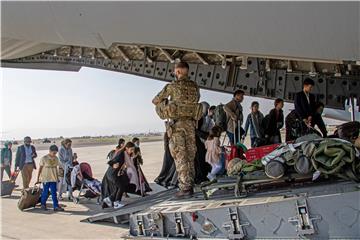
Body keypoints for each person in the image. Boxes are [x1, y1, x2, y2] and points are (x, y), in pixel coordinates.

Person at [152, 61, 200, 198]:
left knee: (180, 155)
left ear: (178, 71)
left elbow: (155, 101)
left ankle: (185, 188)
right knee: (190, 155)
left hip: (177, 125)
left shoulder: (172, 86)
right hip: (191, 124)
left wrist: (167, 105)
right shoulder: (195, 87)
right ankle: (190, 184)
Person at [102, 142, 138, 209]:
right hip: (112, 174)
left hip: (116, 174)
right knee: (121, 187)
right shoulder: (121, 154)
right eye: (131, 149)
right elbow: (110, 161)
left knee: (121, 186)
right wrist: (113, 164)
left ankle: (109, 199)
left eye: (133, 149)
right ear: (127, 148)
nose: (132, 151)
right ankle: (116, 203)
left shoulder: (126, 154)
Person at [36, 145, 64, 211]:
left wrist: (58, 177)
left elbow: (59, 167)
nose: (54, 154)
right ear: (50, 151)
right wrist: (38, 178)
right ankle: (43, 204)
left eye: (55, 153)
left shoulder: (56, 158)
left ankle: (56, 206)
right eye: (53, 153)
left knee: (54, 192)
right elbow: (40, 168)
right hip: (46, 178)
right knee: (45, 192)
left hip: (53, 179)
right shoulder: (44, 158)